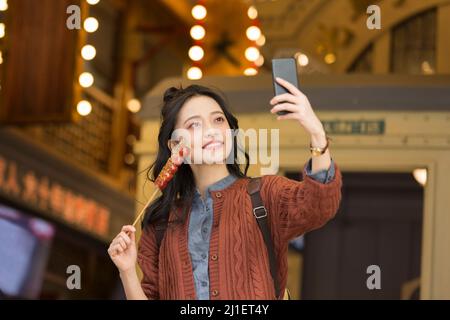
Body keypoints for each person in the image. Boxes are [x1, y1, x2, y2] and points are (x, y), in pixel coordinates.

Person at [108, 77, 342, 300]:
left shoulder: (265, 194)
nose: (211, 130)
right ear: (176, 145)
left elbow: (319, 205)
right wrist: (127, 271)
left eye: (218, 120)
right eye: (194, 124)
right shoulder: (160, 223)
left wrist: (316, 134)